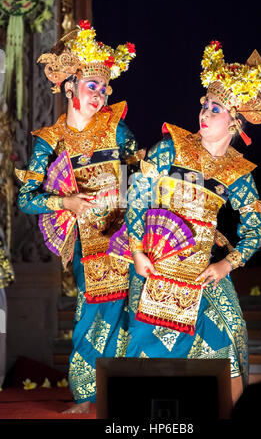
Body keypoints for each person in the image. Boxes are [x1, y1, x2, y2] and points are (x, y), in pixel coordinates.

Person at [124, 40, 261, 405]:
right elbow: (135, 197)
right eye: (205, 106)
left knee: (230, 335)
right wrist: (136, 250)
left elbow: (256, 230)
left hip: (201, 270)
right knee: (146, 344)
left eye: (216, 109)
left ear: (235, 123)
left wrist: (226, 263)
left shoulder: (239, 174)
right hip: (153, 263)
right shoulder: (171, 148)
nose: (205, 113)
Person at [16, 20, 139, 413]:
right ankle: (87, 396)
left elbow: (145, 175)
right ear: (69, 87)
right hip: (90, 241)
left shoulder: (118, 130)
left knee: (131, 314)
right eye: (91, 86)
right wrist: (65, 203)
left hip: (129, 235)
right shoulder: (50, 141)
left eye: (104, 87)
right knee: (94, 314)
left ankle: (124, 391)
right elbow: (26, 198)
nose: (99, 95)